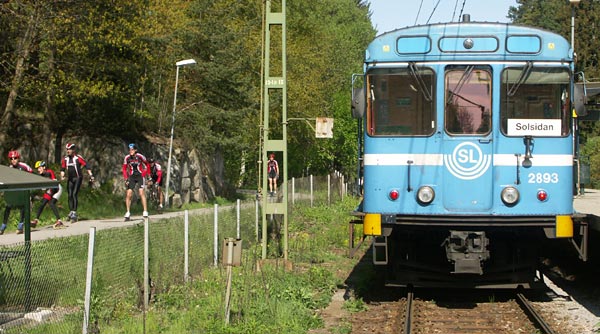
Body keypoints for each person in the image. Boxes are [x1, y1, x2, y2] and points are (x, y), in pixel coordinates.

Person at [60, 143, 94, 223]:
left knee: (74, 194)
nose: (68, 151)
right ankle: (71, 211)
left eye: (70, 149)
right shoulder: (65, 159)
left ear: (73, 150)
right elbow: (62, 168)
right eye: (67, 149)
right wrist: (62, 175)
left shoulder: (78, 158)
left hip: (78, 178)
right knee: (69, 195)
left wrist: (91, 175)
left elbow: (87, 166)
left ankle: (74, 212)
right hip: (70, 179)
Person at [1, 150, 33, 235]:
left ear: (18, 158)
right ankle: (3, 226)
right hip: (14, 192)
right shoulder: (9, 168)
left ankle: (20, 226)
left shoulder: (24, 166)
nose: (13, 160)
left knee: (24, 207)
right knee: (8, 207)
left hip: (23, 190)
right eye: (11, 158)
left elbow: (32, 174)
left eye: (15, 158)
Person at [122, 143, 150, 220]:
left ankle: (145, 211)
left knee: (141, 192)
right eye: (129, 150)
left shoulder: (140, 156)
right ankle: (127, 212)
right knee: (129, 194)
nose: (130, 151)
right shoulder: (127, 158)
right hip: (132, 176)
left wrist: (145, 174)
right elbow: (124, 168)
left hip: (140, 175)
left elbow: (147, 165)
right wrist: (126, 178)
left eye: (132, 150)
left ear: (135, 150)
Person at [33, 161, 64, 229]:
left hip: (57, 189)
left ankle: (59, 221)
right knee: (42, 204)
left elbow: (54, 182)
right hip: (50, 189)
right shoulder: (40, 176)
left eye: (40, 168)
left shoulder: (49, 171)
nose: (38, 170)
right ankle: (36, 220)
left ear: (44, 167)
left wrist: (48, 192)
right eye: (37, 168)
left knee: (52, 203)